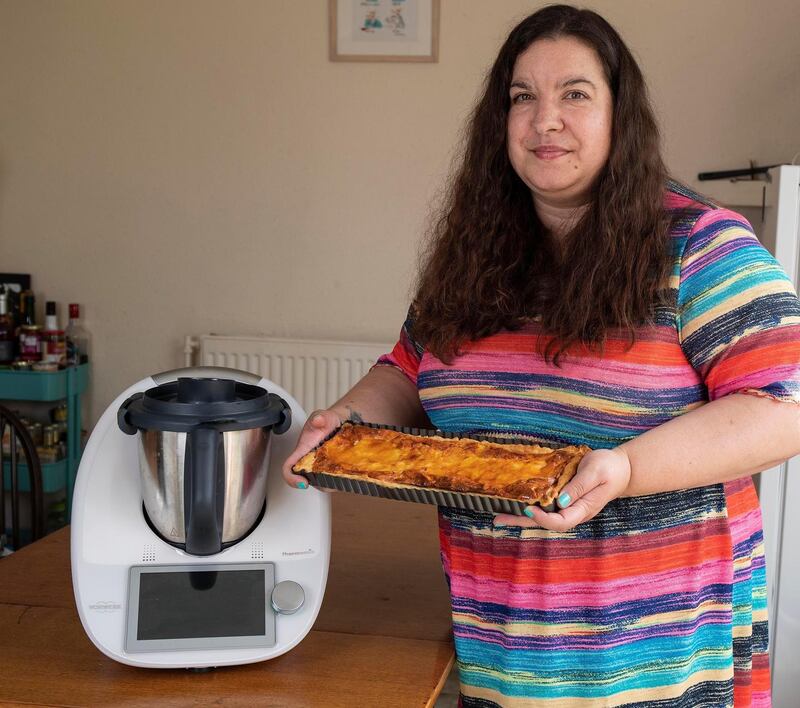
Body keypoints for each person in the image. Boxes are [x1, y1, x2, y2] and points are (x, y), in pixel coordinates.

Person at [284, 5, 800, 706]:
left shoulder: (701, 245)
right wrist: (343, 421)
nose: (544, 119)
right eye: (522, 97)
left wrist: (623, 470)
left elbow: (783, 407)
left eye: (575, 94)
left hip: (657, 662)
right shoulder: (474, 255)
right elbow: (408, 369)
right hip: (498, 650)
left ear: (622, 115)